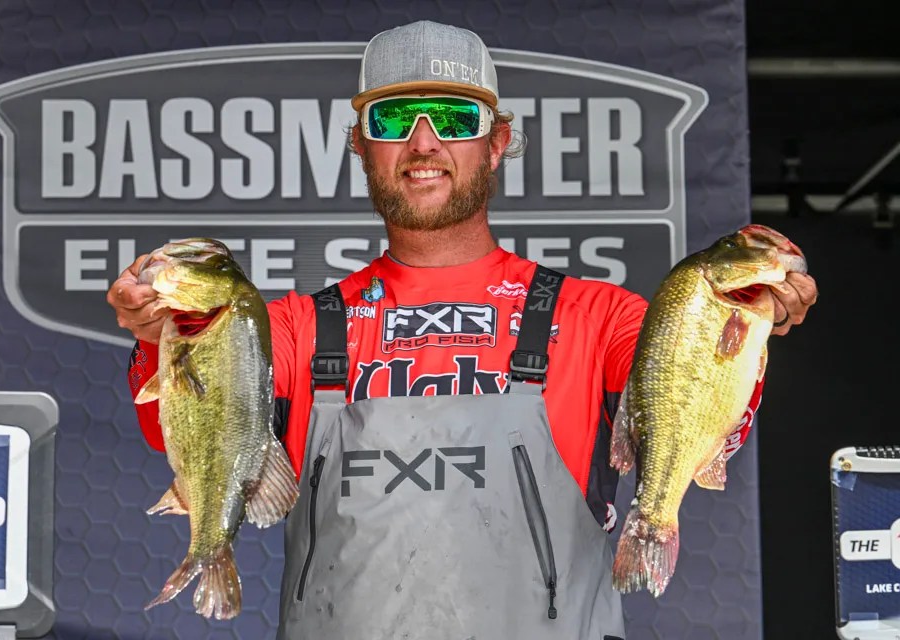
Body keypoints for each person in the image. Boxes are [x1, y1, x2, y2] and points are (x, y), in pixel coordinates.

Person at [107, 20, 818, 639]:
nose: (423, 142)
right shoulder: (291, 327)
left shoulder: (602, 317)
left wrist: (751, 312)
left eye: (453, 118)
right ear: (360, 143)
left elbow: (702, 409)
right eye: (393, 120)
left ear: (498, 141)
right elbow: (187, 436)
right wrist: (159, 335)